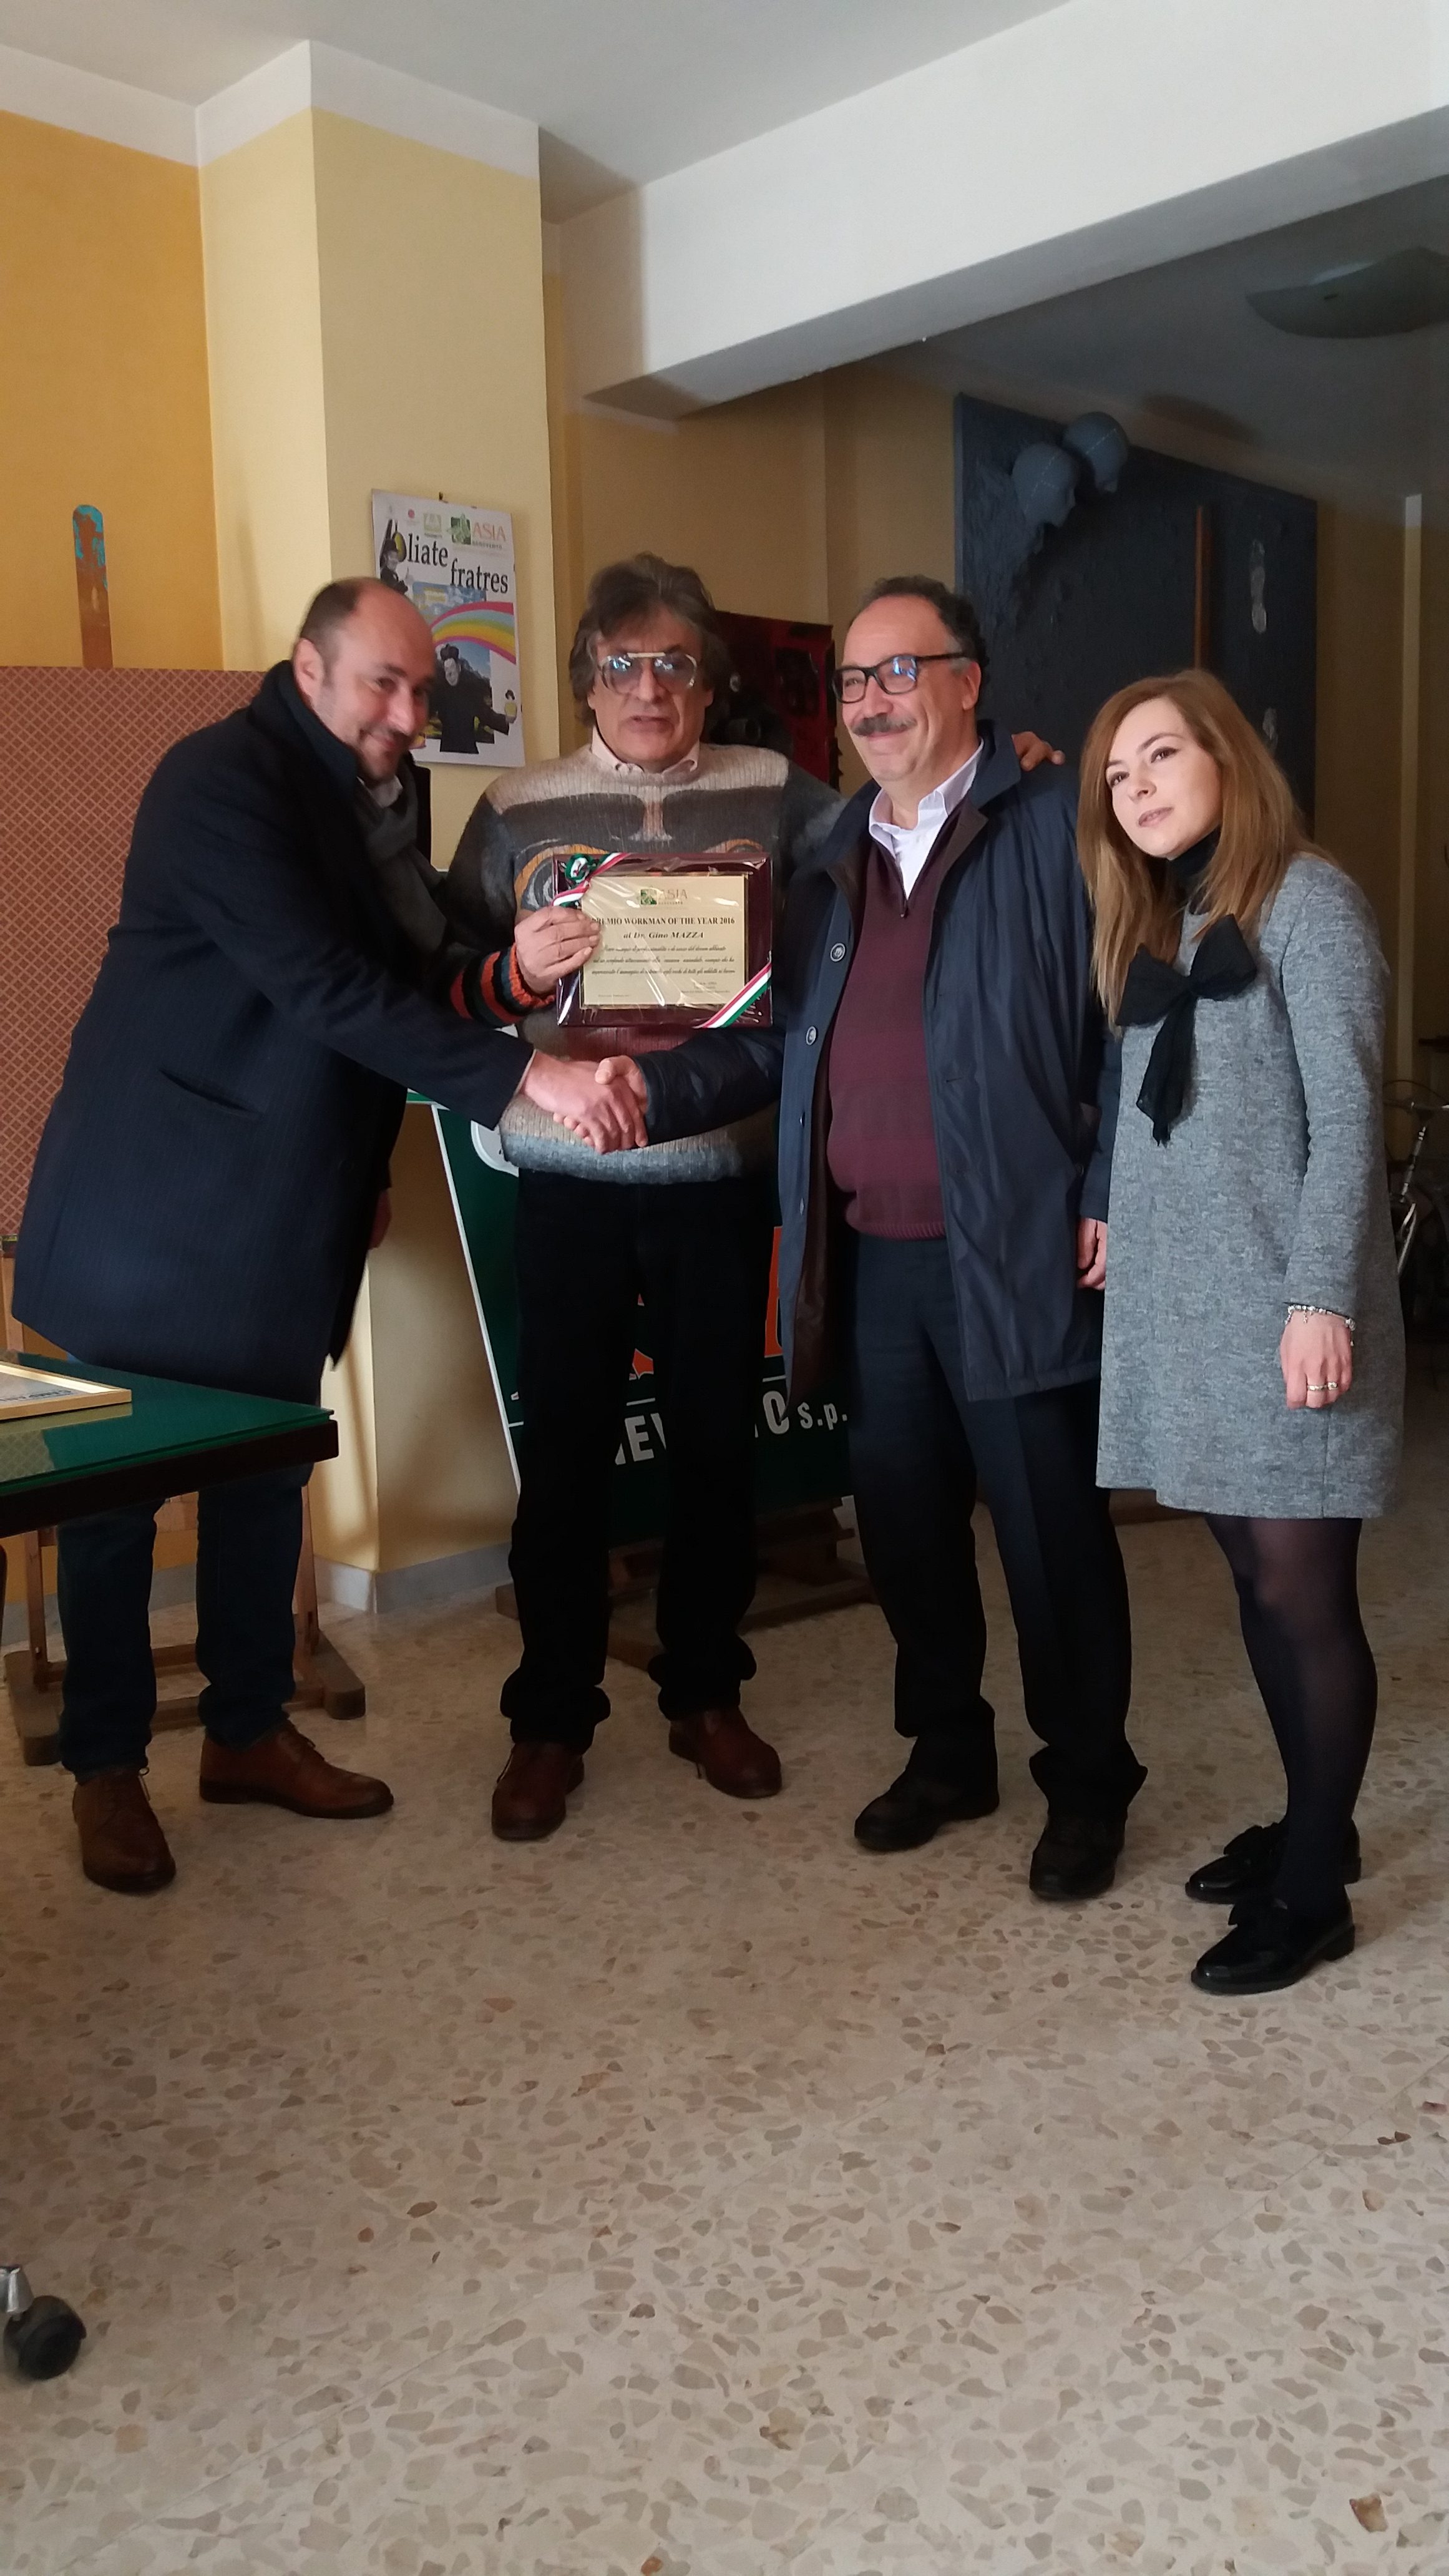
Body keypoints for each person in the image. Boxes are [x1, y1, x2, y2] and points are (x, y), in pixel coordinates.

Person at [14, 577, 633, 1896]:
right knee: (114, 1509)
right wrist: (533, 1079)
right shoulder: (217, 783)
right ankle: (106, 1768)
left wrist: (510, 981)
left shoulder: (379, 796)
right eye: (381, 685)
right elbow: (324, 987)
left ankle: (245, 1732)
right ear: (309, 669)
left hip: (286, 1205)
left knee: (261, 1480)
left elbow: (410, 978)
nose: (407, 715)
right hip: (146, 1208)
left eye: (421, 691)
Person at [619, 577, 1144, 1900]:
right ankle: (948, 1751)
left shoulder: (1057, 826)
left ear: (969, 680)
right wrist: (639, 1090)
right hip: (870, 1263)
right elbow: (769, 1046)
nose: (871, 702)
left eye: (899, 672)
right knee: (905, 1529)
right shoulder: (826, 862)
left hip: (1014, 1250)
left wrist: (1107, 1186)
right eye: (855, 682)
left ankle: (1087, 1781)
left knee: (1050, 1538)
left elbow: (1135, 1022)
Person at [1078, 671, 1403, 1995]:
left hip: (1284, 1312)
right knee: (1252, 1583)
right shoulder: (1165, 919)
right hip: (1188, 1309)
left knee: (1302, 1595)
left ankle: (1313, 1891)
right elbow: (1146, 1110)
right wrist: (1111, 1214)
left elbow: (1348, 1120)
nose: (1137, 787)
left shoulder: (1308, 903)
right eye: (1117, 775)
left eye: (1161, 755)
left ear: (1228, 757)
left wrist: (1321, 1299)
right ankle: (1314, 1818)